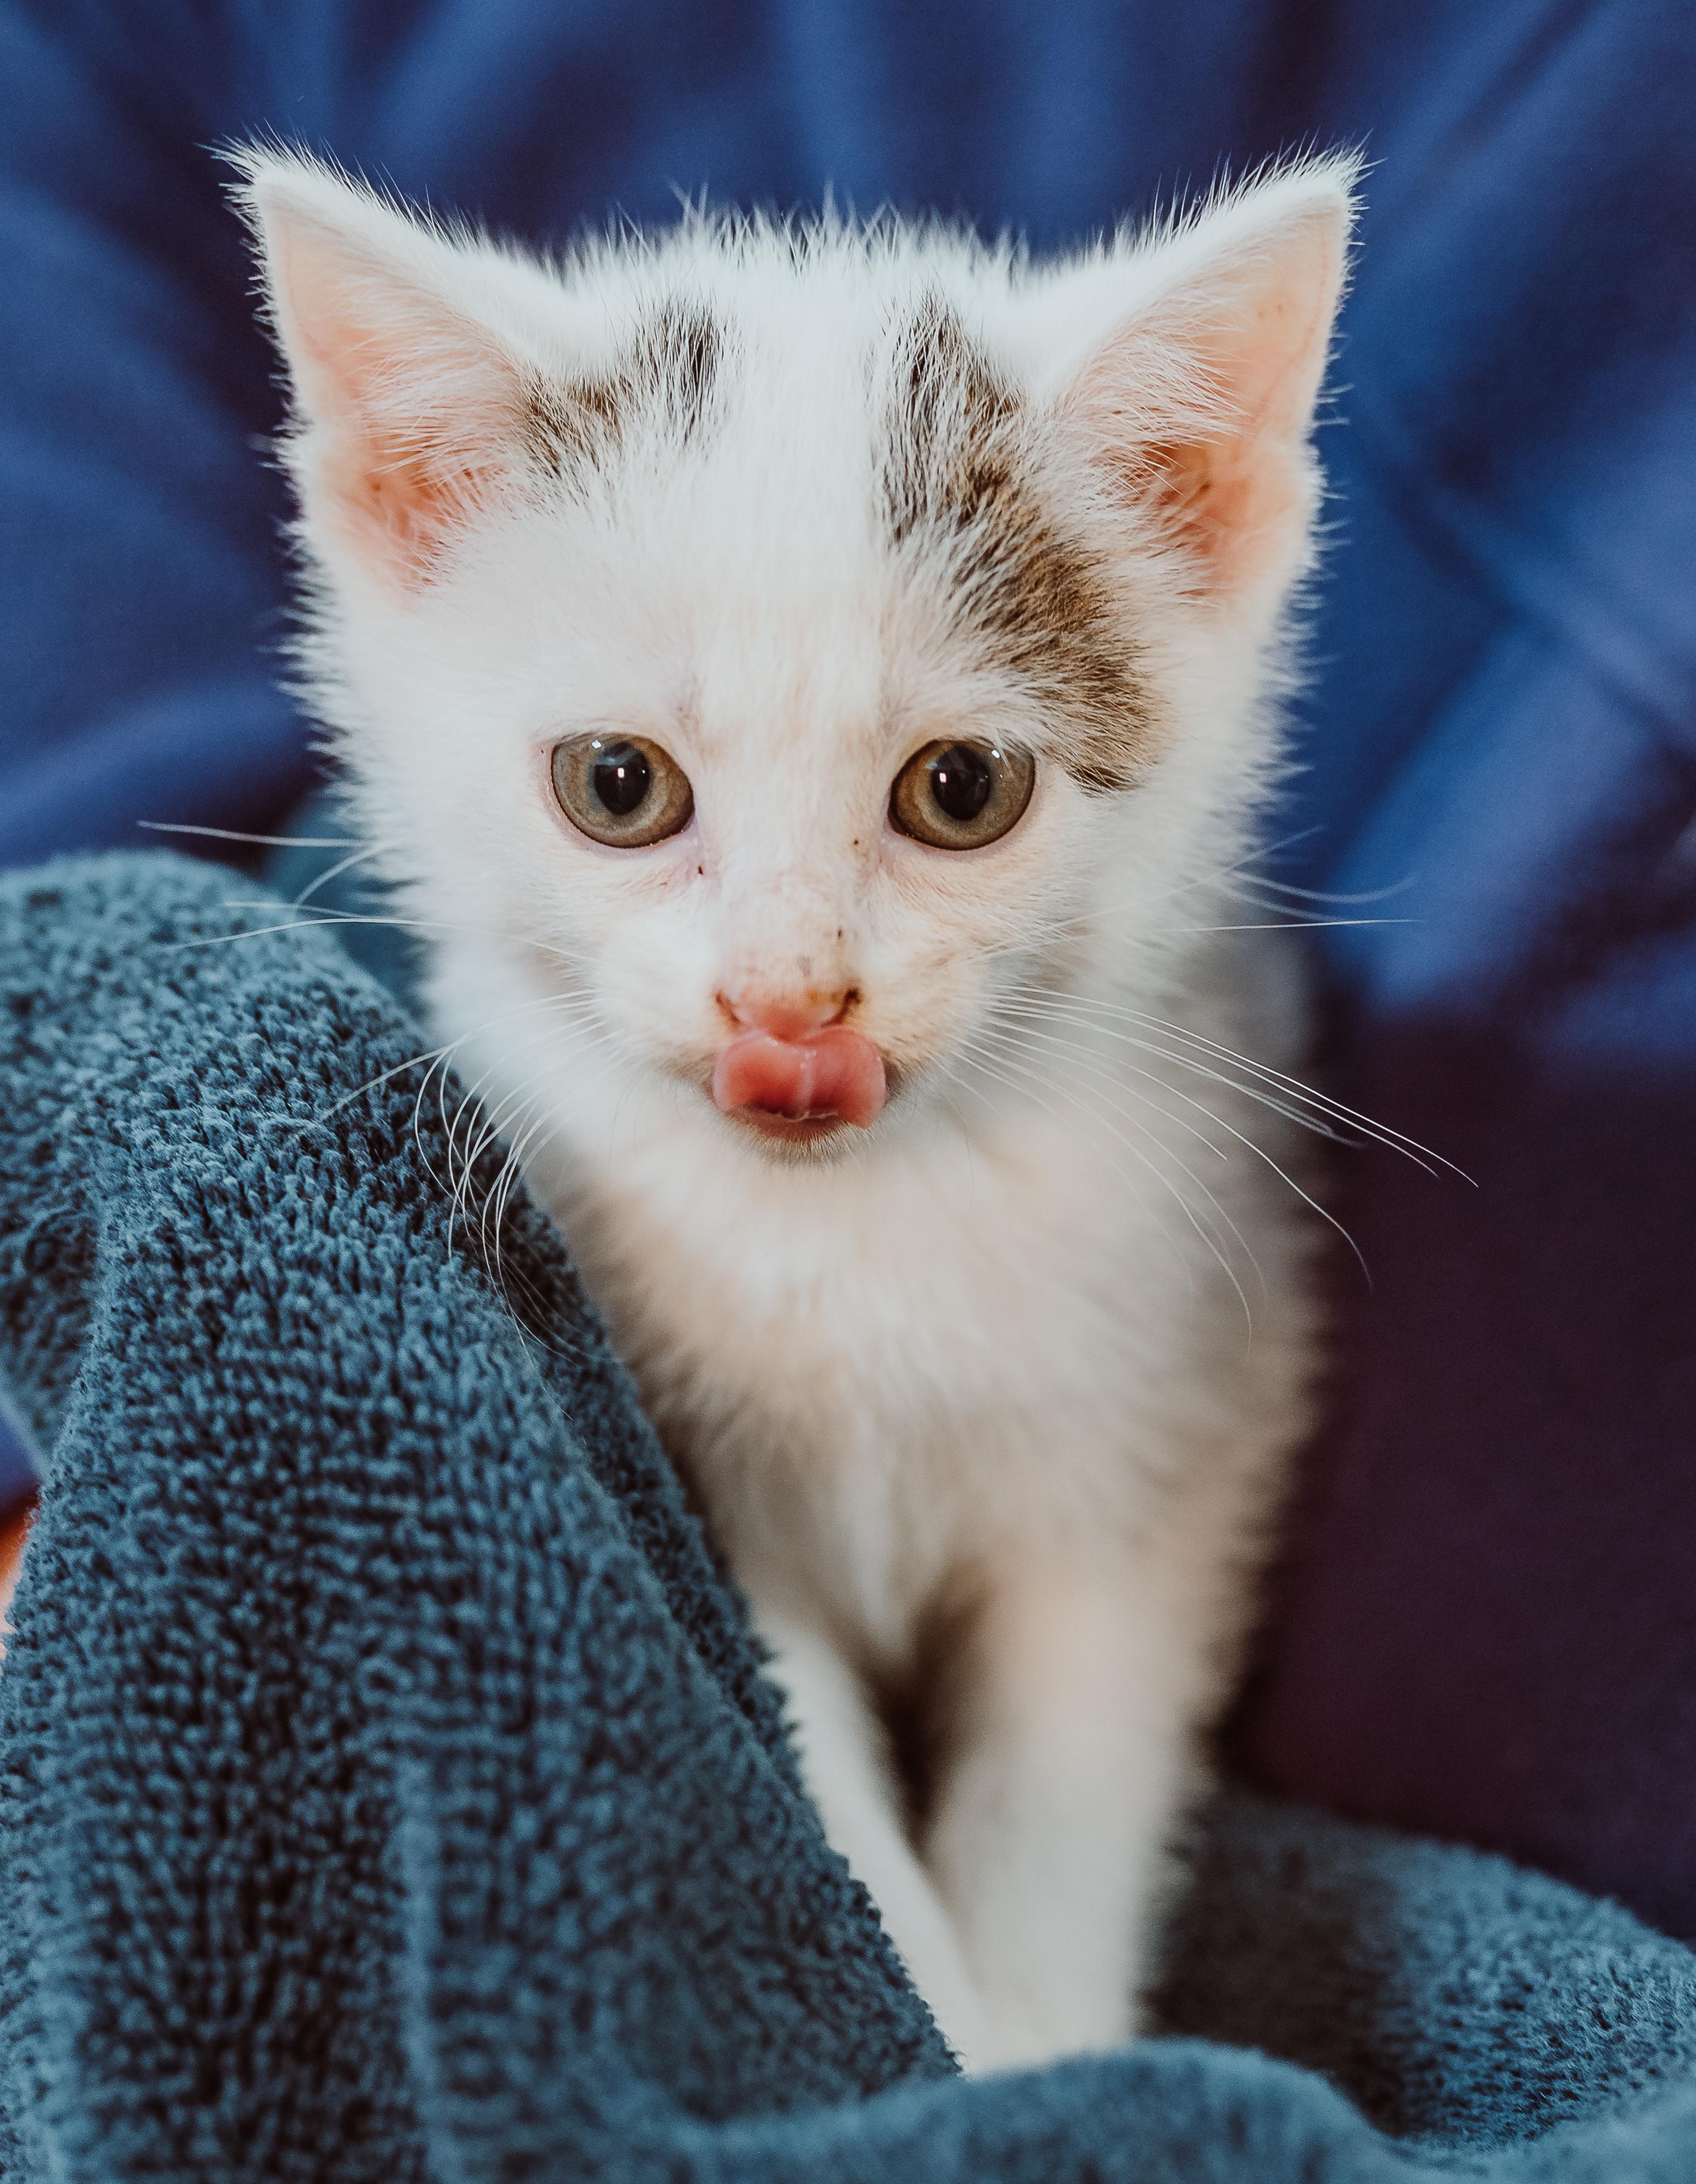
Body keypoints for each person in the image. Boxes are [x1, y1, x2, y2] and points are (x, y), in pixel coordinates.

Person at [2, 0, 1693, 1942]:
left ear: (1197, 513)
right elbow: (719, 1580)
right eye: (624, 789)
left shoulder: (1145, 1121)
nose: (786, 977)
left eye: (957, 790)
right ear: (408, 508)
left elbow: (1118, 1539)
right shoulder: (469, 1124)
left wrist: (1037, 1970)